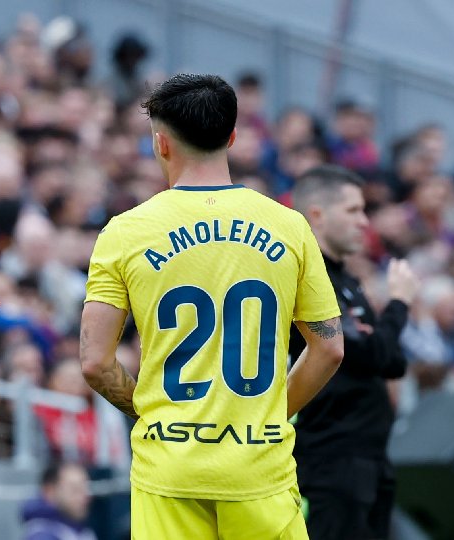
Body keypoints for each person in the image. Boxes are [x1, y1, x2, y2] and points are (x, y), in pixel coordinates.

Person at [79, 73, 344, 539]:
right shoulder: (290, 226)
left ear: (161, 144)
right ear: (233, 137)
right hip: (259, 467)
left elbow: (95, 362)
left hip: (171, 468)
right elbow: (329, 349)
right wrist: (271, 414)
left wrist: (147, 413)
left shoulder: (125, 232)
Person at [290, 165, 418, 540]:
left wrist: (382, 332)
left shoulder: (347, 281)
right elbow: (372, 353)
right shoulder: (309, 279)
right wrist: (398, 304)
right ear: (317, 214)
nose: (364, 222)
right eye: (353, 211)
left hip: (371, 457)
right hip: (331, 458)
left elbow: (392, 361)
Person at [20, 461, 96, 540]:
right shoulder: (41, 536)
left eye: (86, 489)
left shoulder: (79, 531)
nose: (85, 496)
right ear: (49, 492)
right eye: (75, 489)